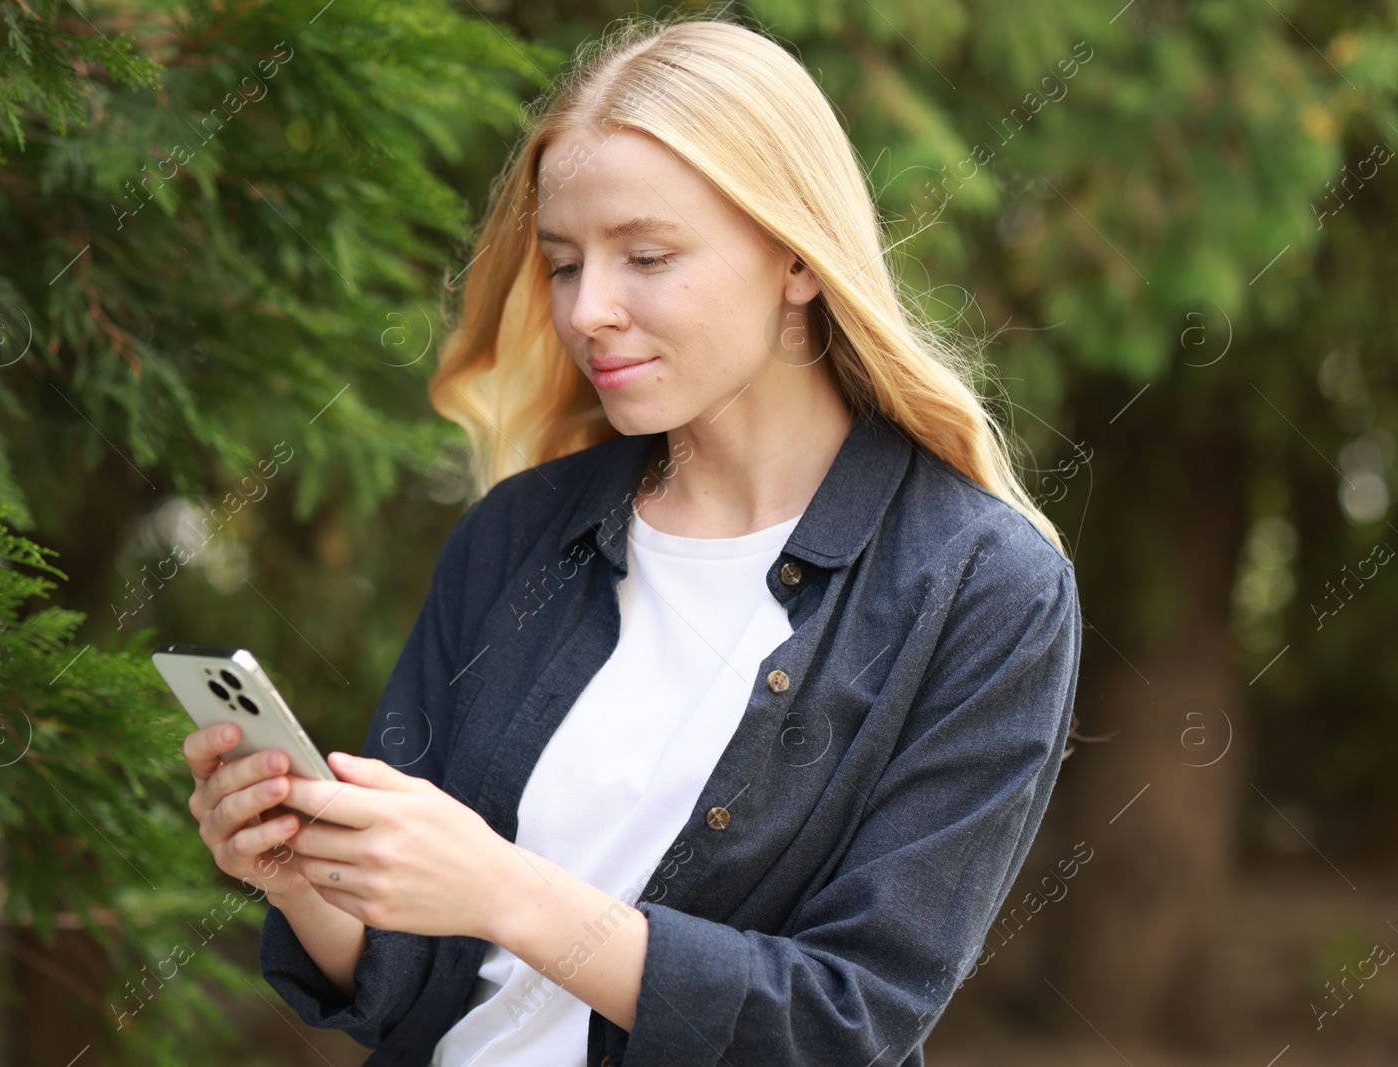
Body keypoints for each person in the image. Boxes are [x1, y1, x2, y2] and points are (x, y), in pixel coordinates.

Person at [182, 12, 1081, 1067]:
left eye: (645, 255)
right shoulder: (516, 535)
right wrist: (301, 872)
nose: (589, 309)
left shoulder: (982, 586)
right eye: (563, 264)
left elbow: (847, 1019)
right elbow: (400, 984)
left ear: (796, 261)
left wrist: (504, 889)